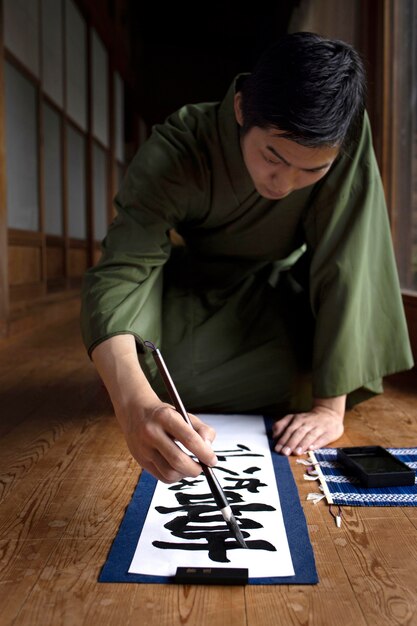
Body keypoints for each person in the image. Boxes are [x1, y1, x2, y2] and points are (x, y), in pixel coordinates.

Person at [80, 32, 413, 484]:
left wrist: (328, 407)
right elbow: (123, 269)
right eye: (273, 156)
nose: (284, 183)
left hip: (282, 291)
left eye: (311, 170)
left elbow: (349, 256)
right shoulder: (181, 145)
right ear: (241, 109)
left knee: (329, 373)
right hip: (195, 292)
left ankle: (304, 381)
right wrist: (133, 401)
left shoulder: (345, 136)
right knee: (146, 377)